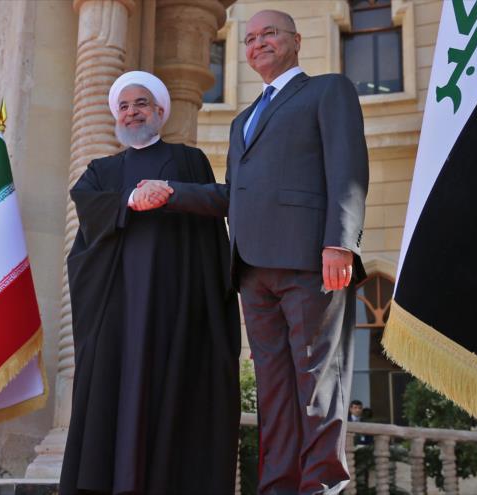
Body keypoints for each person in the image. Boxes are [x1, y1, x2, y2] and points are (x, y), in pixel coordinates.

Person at [138, 9, 368, 494]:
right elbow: (234, 195)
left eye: (270, 34)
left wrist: (339, 243)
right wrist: (172, 192)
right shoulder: (244, 119)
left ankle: (321, 487)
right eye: (250, 38)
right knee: (274, 389)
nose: (258, 43)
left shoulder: (329, 90)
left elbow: (347, 169)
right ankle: (279, 486)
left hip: (311, 262)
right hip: (251, 270)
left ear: (296, 41)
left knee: (317, 382)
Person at [59, 71, 241, 495]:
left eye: (140, 103)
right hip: (118, 309)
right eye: (123, 106)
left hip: (175, 306)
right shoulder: (102, 171)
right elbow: (85, 206)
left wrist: (170, 191)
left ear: (160, 111)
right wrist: (128, 199)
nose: (131, 112)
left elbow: (217, 204)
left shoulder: (186, 159)